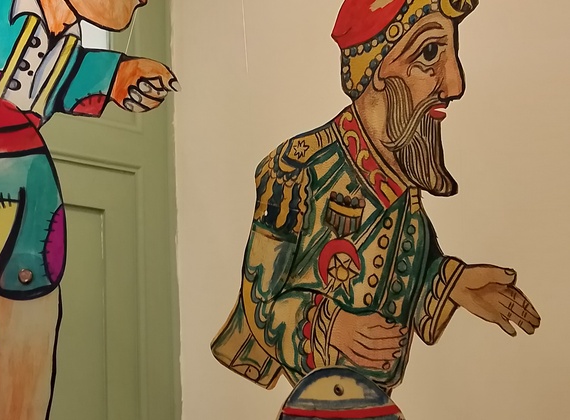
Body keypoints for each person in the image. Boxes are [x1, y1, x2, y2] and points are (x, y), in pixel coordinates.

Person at [211, 0, 540, 394]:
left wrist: (452, 283)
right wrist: (333, 326)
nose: (454, 85)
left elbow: (405, 269)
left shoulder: (403, 177)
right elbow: (260, 301)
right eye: (429, 54)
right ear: (377, 68)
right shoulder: (297, 169)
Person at [0, 0, 177, 418]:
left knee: (29, 344)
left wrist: (119, 75)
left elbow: (74, 76)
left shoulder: (67, 44)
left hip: (30, 186)